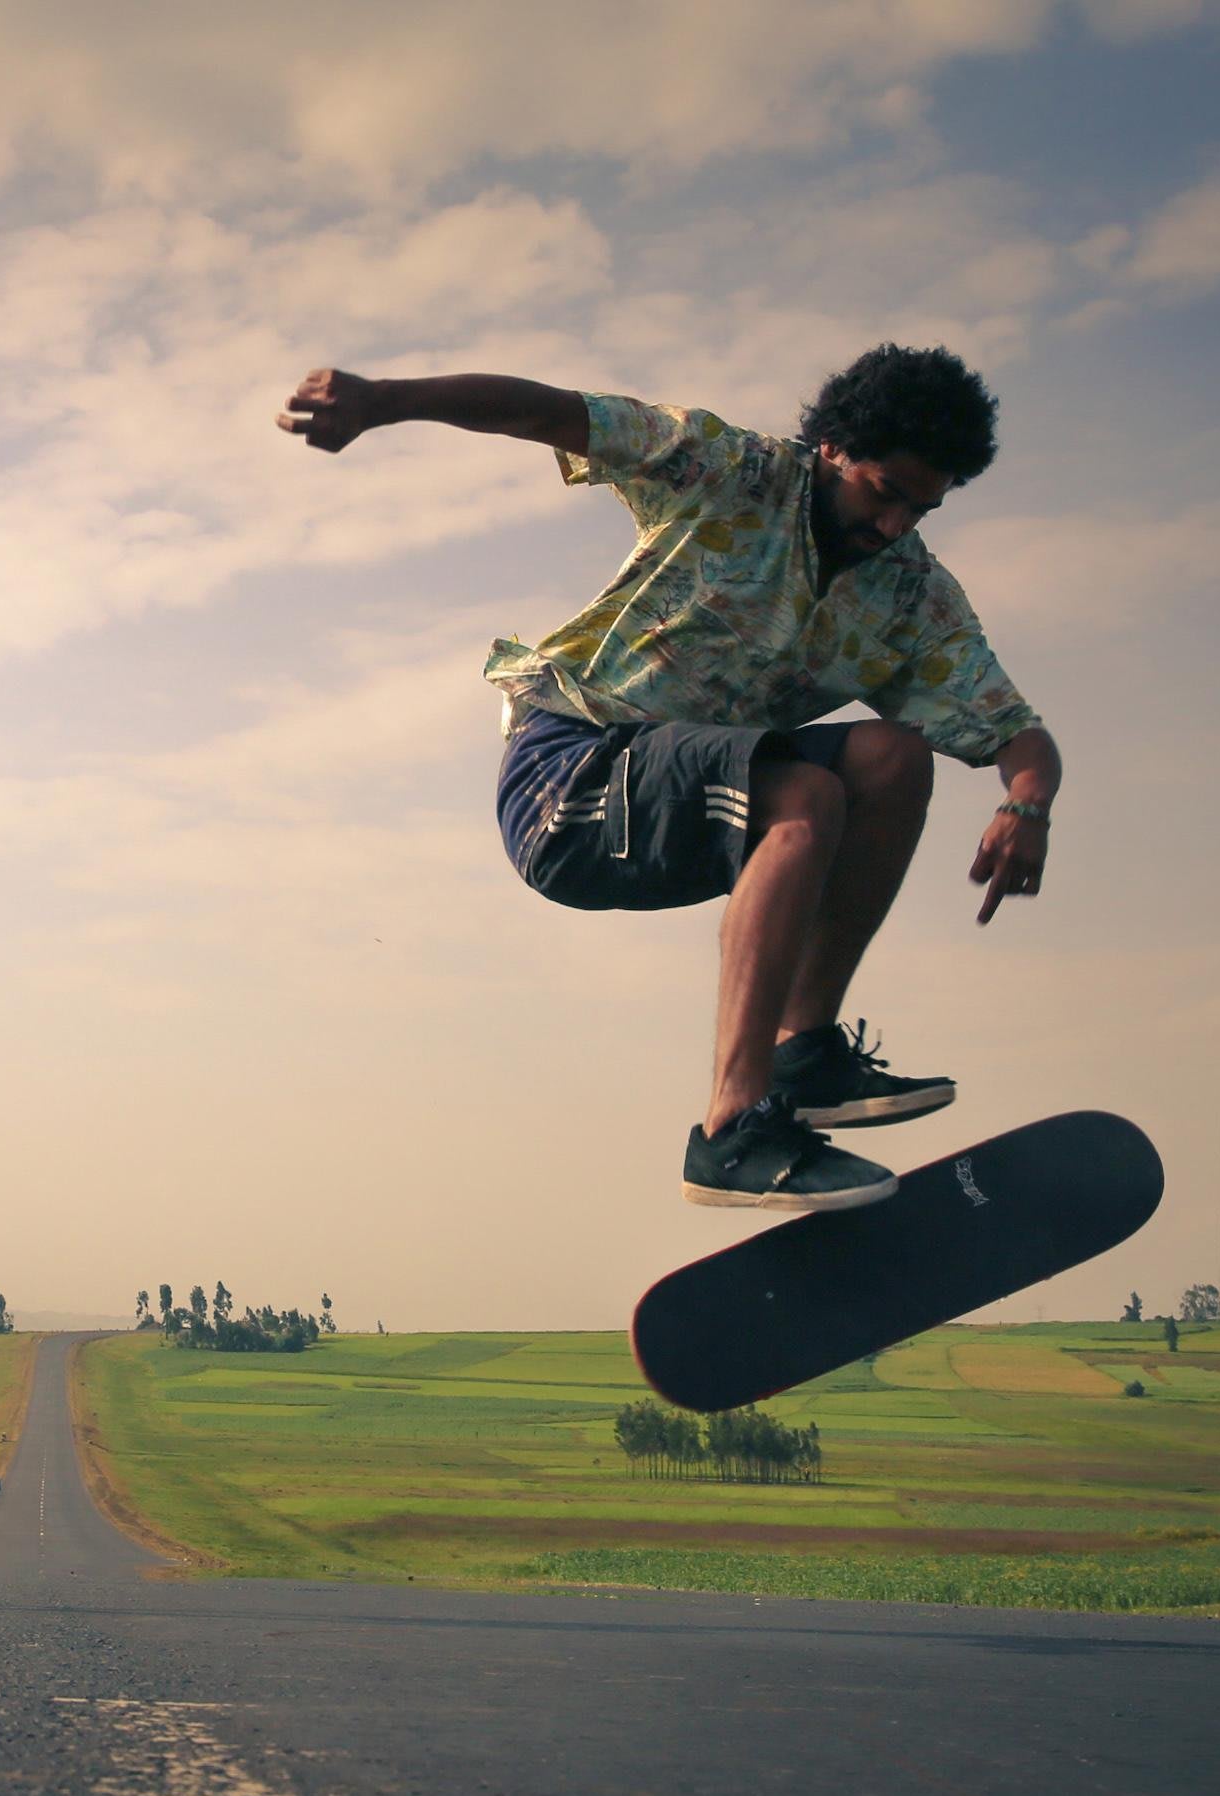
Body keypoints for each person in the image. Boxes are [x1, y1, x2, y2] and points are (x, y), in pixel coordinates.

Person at [278, 346, 1057, 1211]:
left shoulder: (913, 596)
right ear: (834, 448)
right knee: (806, 793)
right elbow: (552, 412)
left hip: (688, 800)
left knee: (894, 758)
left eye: (922, 508)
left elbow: (1014, 730)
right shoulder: (725, 470)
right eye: (885, 493)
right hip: (571, 780)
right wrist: (386, 401)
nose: (895, 526)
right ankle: (733, 1129)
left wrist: (1028, 803)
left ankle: (805, 1048)